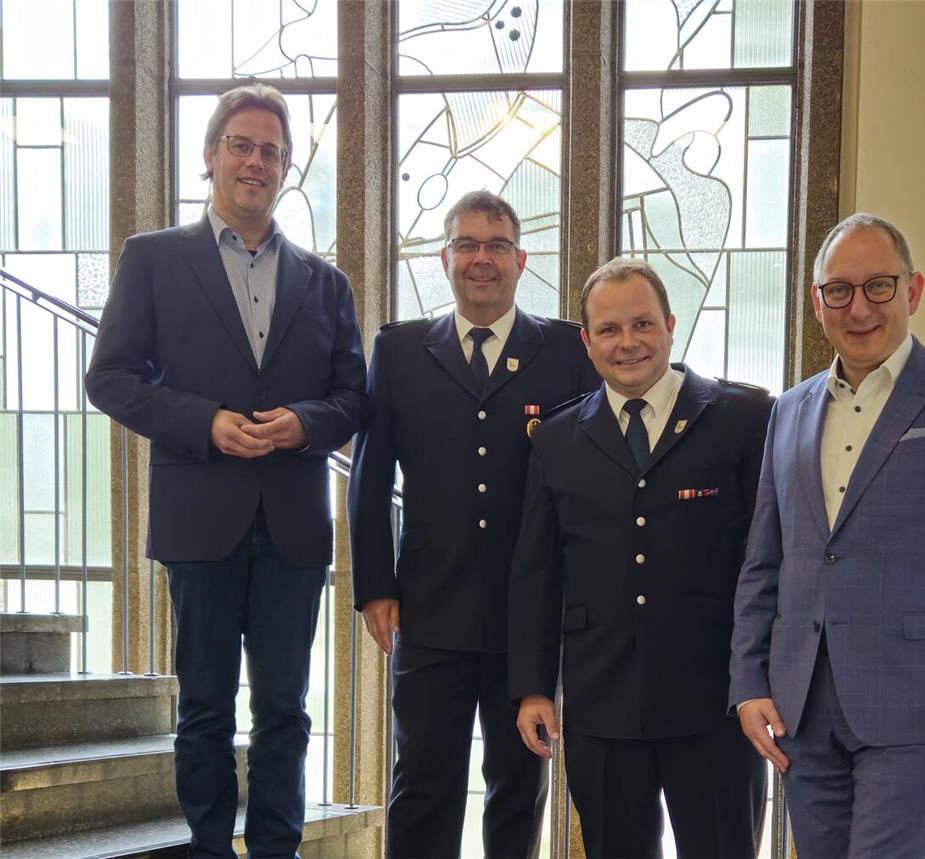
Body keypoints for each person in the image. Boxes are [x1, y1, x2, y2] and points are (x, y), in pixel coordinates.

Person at [85, 83, 368, 858]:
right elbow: (109, 378)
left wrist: (304, 424)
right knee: (204, 705)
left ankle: (277, 848)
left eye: (271, 151)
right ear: (210, 156)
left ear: (285, 169)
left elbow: (353, 398)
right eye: (241, 145)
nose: (255, 161)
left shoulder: (327, 282)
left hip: (293, 528)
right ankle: (210, 847)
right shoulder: (152, 258)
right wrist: (204, 423)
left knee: (286, 708)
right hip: (199, 518)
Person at [730, 213, 925, 858]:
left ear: (913, 291)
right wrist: (749, 682)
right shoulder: (788, 411)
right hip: (801, 705)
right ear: (818, 304)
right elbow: (766, 562)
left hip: (916, 704)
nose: (858, 307)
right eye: (839, 290)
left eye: (879, 286)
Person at [348, 191, 598, 858]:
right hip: (428, 610)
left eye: (495, 246)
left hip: (530, 615)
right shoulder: (399, 351)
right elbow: (370, 480)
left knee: (518, 785)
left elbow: (584, 478)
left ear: (521, 260)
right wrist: (375, 584)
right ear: (444, 258)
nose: (481, 259)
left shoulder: (566, 351)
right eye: (467, 244)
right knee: (424, 782)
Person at [508, 258, 772, 858]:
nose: (627, 343)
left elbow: (768, 561)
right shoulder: (554, 440)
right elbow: (536, 575)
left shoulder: (744, 418)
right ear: (587, 341)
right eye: (609, 329)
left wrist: (767, 674)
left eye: (642, 325)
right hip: (603, 702)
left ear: (671, 326)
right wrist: (532, 687)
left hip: (716, 702)